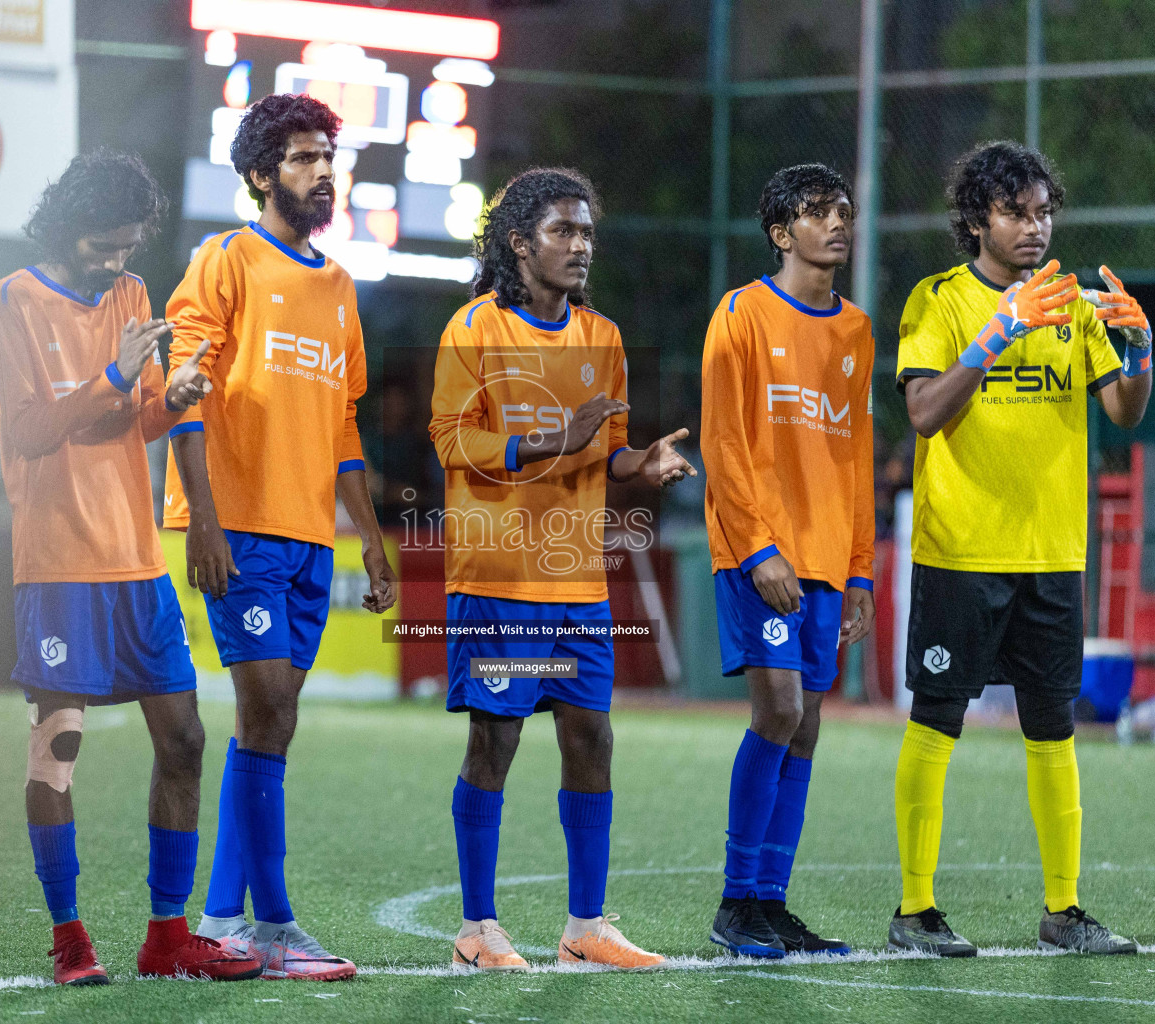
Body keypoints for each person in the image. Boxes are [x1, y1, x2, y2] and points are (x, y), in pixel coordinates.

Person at [0, 152, 261, 985]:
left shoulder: (132, 296)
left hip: (136, 561)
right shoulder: (10, 301)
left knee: (185, 737)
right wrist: (113, 374)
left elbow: (129, 425)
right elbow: (29, 430)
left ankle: (167, 938)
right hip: (58, 562)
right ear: (68, 228)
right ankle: (70, 941)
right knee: (58, 746)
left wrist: (168, 399)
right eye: (104, 247)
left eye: (129, 247)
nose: (116, 263)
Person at [888, 140, 1153, 956]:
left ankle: (1063, 910)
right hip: (961, 549)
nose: (1036, 228)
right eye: (1017, 212)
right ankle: (915, 910)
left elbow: (1125, 413)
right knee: (938, 719)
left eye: (1044, 212)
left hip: (1049, 553)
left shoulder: (1073, 304)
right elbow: (926, 412)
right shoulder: (938, 300)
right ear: (977, 221)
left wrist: (1140, 349)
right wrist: (995, 336)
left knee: (1054, 723)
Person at [429, 167, 693, 972]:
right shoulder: (472, 328)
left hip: (576, 582)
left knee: (591, 737)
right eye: (563, 232)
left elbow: (603, 451)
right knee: (496, 741)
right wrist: (556, 441)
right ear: (520, 242)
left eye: (587, 233)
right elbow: (450, 441)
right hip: (499, 580)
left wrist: (636, 463)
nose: (580, 246)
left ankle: (585, 928)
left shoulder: (602, 337)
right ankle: (477, 929)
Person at [165, 94, 396, 981]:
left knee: (273, 724)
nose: (321, 172)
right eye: (301, 158)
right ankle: (274, 927)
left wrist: (368, 541)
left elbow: (342, 427)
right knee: (264, 711)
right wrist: (204, 519)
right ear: (261, 173)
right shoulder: (223, 261)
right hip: (241, 531)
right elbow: (185, 394)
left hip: (309, 537)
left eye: (326, 158)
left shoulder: (338, 288)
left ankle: (223, 919)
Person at [700, 163, 875, 958]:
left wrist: (862, 567)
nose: (836, 223)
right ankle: (735, 902)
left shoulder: (857, 330)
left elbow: (858, 454)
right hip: (758, 551)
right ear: (782, 233)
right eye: (816, 212)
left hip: (828, 558)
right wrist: (760, 546)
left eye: (843, 210)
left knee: (805, 730)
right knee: (777, 712)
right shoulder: (739, 315)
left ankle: (772, 903)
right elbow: (723, 443)